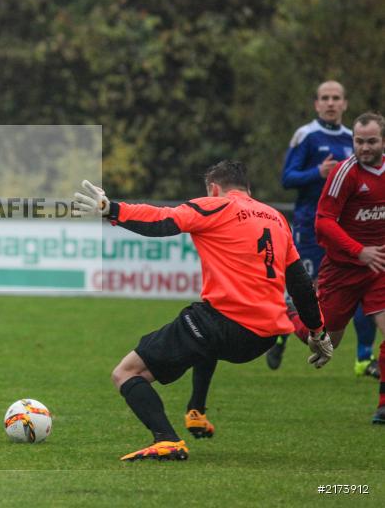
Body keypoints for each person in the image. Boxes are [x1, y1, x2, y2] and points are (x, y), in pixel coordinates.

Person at [74, 160, 331, 461]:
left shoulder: (217, 206)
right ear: (249, 189)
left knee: (127, 372)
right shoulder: (276, 218)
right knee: (202, 332)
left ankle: (167, 440)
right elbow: (299, 282)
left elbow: (163, 220)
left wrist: (112, 210)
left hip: (226, 323)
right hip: (261, 338)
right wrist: (317, 330)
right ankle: (196, 410)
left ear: (214, 188)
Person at [267, 81, 378, 376]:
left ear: (344, 103)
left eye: (336, 98)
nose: (331, 103)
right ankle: (283, 323)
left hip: (348, 233)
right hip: (310, 226)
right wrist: (316, 172)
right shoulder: (306, 135)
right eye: (325, 98)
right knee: (308, 294)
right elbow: (287, 178)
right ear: (316, 104)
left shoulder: (353, 139)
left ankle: (364, 359)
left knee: (366, 295)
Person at [303, 112, 385, 424]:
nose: (364, 148)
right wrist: (358, 251)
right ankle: (296, 316)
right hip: (343, 270)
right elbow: (323, 222)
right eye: (359, 141)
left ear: (383, 142)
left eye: (371, 141)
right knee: (325, 342)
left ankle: (383, 406)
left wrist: (371, 254)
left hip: (379, 268)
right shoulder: (345, 173)